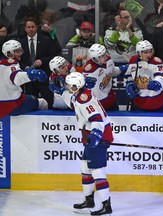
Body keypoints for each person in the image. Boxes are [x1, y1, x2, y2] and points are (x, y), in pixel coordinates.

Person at [49, 72, 113, 215]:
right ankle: (89, 200)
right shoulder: (80, 94)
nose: (66, 86)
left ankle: (106, 205)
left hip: (98, 135)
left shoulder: (84, 99)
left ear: (75, 86)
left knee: (97, 170)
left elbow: (97, 119)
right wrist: (61, 92)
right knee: (85, 167)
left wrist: (96, 136)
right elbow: (73, 103)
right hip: (91, 135)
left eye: (67, 85)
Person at [0, 39, 48, 118]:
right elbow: (16, 78)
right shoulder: (12, 64)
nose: (21, 53)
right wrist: (32, 74)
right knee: (42, 102)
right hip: (13, 105)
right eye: (17, 51)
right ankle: (44, 126)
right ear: (9, 54)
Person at [19, 17, 57, 109]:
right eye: (28, 27)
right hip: (29, 79)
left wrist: (42, 61)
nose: (31, 29)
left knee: (48, 102)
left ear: (36, 27)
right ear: (25, 29)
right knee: (30, 104)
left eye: (33, 26)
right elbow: (18, 61)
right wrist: (26, 67)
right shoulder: (21, 43)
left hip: (44, 78)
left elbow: (53, 55)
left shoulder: (46, 40)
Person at [125, 40, 163, 111]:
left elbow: (161, 76)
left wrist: (157, 82)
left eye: (150, 51)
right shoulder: (133, 61)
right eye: (145, 52)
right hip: (139, 103)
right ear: (139, 53)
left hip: (157, 102)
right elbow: (130, 76)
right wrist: (130, 84)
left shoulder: (157, 61)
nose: (149, 55)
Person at [82, 44, 126, 111]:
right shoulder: (90, 69)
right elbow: (84, 82)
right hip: (98, 102)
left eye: (105, 54)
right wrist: (86, 81)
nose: (106, 57)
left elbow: (112, 71)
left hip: (110, 97)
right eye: (102, 56)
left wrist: (121, 69)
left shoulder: (108, 60)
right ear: (95, 58)